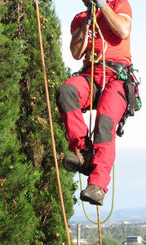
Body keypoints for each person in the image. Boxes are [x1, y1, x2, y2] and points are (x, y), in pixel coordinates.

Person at [56, 0, 133, 206]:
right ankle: (84, 152)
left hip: (116, 76)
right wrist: (88, 20)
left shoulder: (119, 5)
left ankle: (97, 185)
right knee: (67, 91)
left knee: (104, 123)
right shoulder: (80, 19)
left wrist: (102, 6)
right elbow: (76, 53)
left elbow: (123, 30)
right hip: (92, 75)